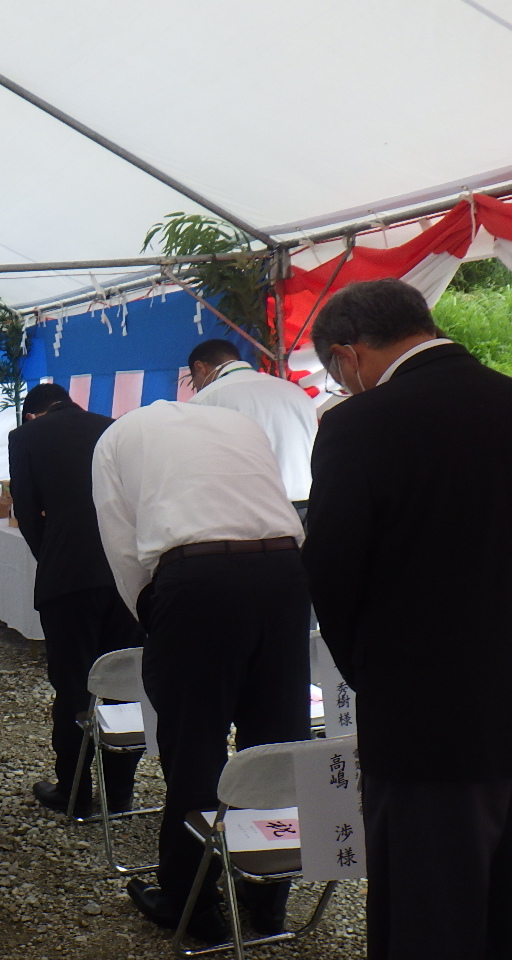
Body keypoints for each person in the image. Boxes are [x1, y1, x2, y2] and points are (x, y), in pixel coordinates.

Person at [303, 277, 512, 960]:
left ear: (348, 353)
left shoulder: (359, 426)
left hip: (427, 719)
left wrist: (374, 673)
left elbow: (332, 572)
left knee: (431, 911)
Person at [92, 400, 310, 943]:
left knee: (194, 744)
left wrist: (152, 612)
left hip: (197, 580)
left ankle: (190, 904)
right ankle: (269, 897)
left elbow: (121, 544)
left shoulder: (115, 439)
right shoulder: (240, 422)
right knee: (279, 737)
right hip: (285, 571)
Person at [7, 383, 143, 817]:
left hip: (68, 579)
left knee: (73, 686)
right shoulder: (114, 428)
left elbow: (27, 512)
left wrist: (51, 555)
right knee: (124, 682)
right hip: (125, 573)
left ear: (32, 414)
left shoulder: (25, 437)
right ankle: (120, 791)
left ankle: (74, 792)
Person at [185, 338, 317, 509]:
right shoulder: (296, 392)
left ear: (200, 368)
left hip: (251, 509)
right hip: (308, 505)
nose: (196, 387)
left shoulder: (205, 401)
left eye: (194, 381)